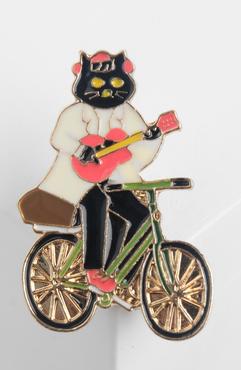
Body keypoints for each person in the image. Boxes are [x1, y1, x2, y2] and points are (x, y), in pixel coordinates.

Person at [19, 51, 162, 292]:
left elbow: (139, 146)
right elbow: (58, 137)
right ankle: (94, 270)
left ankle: (121, 275)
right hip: (76, 182)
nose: (106, 90)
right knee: (96, 202)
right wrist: (80, 149)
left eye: (115, 83)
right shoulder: (76, 112)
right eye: (96, 83)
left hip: (112, 179)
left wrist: (152, 136)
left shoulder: (125, 113)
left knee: (142, 217)